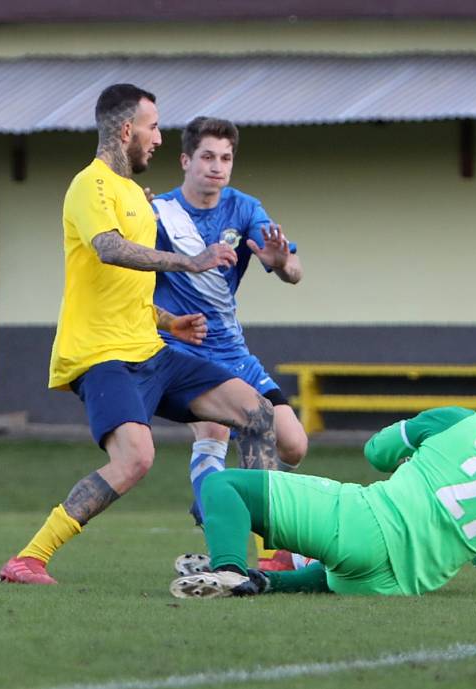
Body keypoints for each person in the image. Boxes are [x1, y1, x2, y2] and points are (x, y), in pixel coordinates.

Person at [0, 84, 284, 585]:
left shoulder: (134, 194)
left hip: (152, 349)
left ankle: (270, 555)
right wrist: (189, 261)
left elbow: (125, 286)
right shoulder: (90, 185)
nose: (158, 138)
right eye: (153, 127)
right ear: (127, 129)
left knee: (257, 414)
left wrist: (169, 322)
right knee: (135, 459)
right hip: (102, 356)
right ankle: (28, 558)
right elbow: (108, 250)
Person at [169, 366, 476, 598]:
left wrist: (416, 454)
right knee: (333, 571)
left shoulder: (461, 420)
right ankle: (262, 582)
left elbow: (377, 453)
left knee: (224, 487)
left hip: (364, 527)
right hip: (406, 583)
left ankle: (230, 570)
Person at [152, 116, 308, 569]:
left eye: (225, 158)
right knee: (214, 431)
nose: (217, 167)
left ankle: (215, 505)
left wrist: (281, 263)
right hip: (184, 350)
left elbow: (294, 270)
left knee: (293, 444)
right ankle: (256, 549)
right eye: (207, 157)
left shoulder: (243, 208)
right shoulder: (161, 212)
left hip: (234, 351)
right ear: (186, 160)